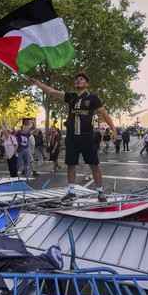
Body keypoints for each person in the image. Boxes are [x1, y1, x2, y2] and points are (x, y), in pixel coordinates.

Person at [30, 73, 116, 203]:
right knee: (71, 165)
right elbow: (52, 91)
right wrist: (39, 84)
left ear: (87, 84)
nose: (78, 80)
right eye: (76, 79)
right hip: (71, 138)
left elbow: (103, 113)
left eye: (81, 79)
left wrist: (113, 129)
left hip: (87, 137)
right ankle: (71, 192)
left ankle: (100, 192)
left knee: (94, 165)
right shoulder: (70, 96)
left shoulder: (93, 98)